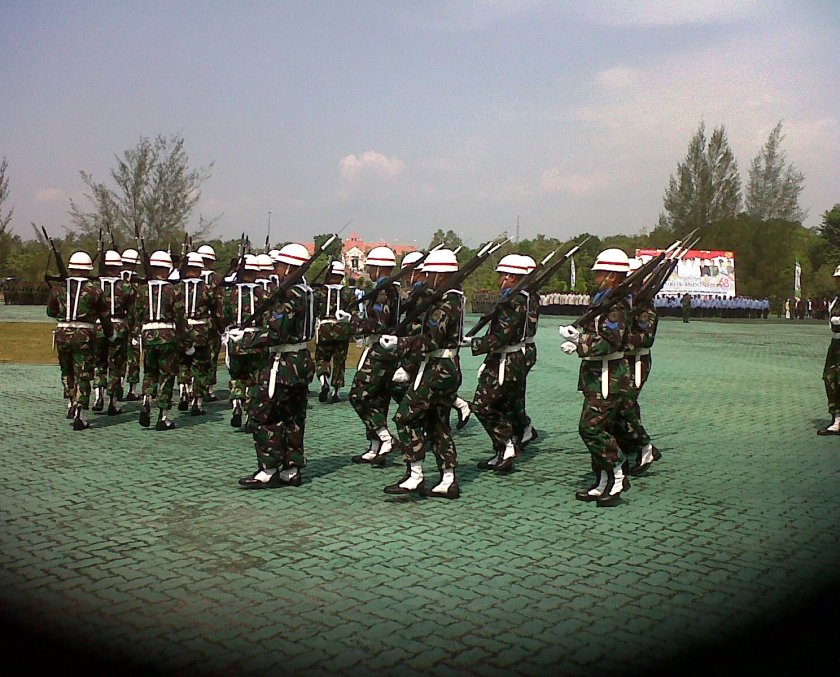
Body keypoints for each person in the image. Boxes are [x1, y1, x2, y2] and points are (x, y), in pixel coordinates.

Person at [377, 249, 465, 498]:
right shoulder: (449, 298)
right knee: (437, 424)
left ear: (440, 275)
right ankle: (448, 479)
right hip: (443, 367)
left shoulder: (446, 303)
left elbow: (431, 340)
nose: (425, 279)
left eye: (429, 274)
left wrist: (400, 344)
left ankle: (415, 475)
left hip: (437, 369)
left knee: (405, 418)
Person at [231, 243, 316, 488]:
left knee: (262, 414)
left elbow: (277, 333)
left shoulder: (290, 294)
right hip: (301, 359)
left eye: (279, 265)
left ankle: (268, 469)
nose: (276, 269)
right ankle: (291, 469)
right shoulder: (308, 292)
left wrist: (246, 339)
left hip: (284, 363)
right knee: (293, 416)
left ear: (289, 267)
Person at [559, 248, 636, 507]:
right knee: (600, 428)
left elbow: (610, 341)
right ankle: (603, 481)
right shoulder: (603, 300)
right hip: (596, 375)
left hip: (609, 376)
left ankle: (618, 473)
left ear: (612, 276)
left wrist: (579, 341)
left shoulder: (617, 305)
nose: (596, 277)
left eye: (600, 273)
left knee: (590, 428)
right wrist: (579, 342)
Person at [470, 253, 531, 473]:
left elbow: (502, 336)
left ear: (511, 277)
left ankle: (506, 445)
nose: (499, 280)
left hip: (506, 360)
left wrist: (474, 343)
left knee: (482, 405)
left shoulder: (514, 301)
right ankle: (501, 451)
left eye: (502, 275)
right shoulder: (513, 298)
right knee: (501, 406)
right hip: (504, 358)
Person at [341, 246, 401, 467]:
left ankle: (385, 438)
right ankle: (376, 447)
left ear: (379, 268)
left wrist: (353, 321)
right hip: (386, 349)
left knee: (359, 395)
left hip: (380, 349)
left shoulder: (384, 291)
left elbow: (378, 324)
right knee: (377, 399)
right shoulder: (390, 288)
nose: (368, 271)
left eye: (371, 267)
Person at [46, 251, 114, 430]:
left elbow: (51, 312)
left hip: (62, 333)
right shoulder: (95, 290)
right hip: (84, 334)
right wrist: (110, 334)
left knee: (66, 370)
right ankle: (80, 413)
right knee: (82, 373)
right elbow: (104, 316)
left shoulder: (58, 289)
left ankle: (70, 402)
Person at [133, 250, 187, 431]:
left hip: (147, 335)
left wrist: (136, 334)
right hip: (167, 335)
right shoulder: (173, 290)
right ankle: (163, 417)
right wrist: (184, 340)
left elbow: (137, 314)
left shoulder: (142, 290)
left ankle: (146, 400)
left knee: (150, 372)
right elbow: (180, 317)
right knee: (167, 375)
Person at [221, 254, 268, 429]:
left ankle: (236, 404)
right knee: (255, 378)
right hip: (256, 339)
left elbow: (223, 315)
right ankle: (250, 413)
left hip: (236, 338)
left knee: (236, 376)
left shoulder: (229, 293)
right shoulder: (263, 293)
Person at [623, 258, 661, 474]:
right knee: (623, 405)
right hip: (621, 360)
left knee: (625, 404)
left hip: (636, 361)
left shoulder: (644, 306)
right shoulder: (624, 301)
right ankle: (630, 443)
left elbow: (646, 338)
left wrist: (617, 339)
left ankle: (645, 447)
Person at [178, 252, 225, 415]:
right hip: (201, 332)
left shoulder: (176, 288)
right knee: (200, 366)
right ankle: (196, 402)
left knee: (184, 363)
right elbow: (217, 312)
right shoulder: (208, 289)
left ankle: (183, 389)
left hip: (182, 330)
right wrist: (220, 329)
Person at [90, 249, 136, 416]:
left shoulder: (94, 286)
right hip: (118, 326)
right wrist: (133, 330)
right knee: (116, 365)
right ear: (118, 267)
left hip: (97, 326)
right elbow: (132, 312)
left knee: (99, 363)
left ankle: (98, 396)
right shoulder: (125, 286)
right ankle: (113, 402)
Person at [312, 260, 356, 403]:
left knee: (321, 358)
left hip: (324, 328)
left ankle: (323, 381)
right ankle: (335, 391)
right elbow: (354, 312)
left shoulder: (320, 291)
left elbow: (314, 310)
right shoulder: (348, 292)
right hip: (342, 329)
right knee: (339, 361)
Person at [197, 244, 223, 402]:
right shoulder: (217, 279)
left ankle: (189, 387)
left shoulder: (190, 278)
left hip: (192, 323)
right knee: (212, 355)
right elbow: (220, 303)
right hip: (211, 322)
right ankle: (209, 388)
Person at [818, 264, 840, 435]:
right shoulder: (836, 298)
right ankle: (837, 419)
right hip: (836, 343)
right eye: (837, 278)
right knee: (830, 378)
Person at [120, 248, 143, 401]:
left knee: (117, 359)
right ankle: (132, 390)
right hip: (133, 325)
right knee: (133, 359)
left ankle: (118, 388)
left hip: (117, 325)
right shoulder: (138, 282)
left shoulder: (116, 281)